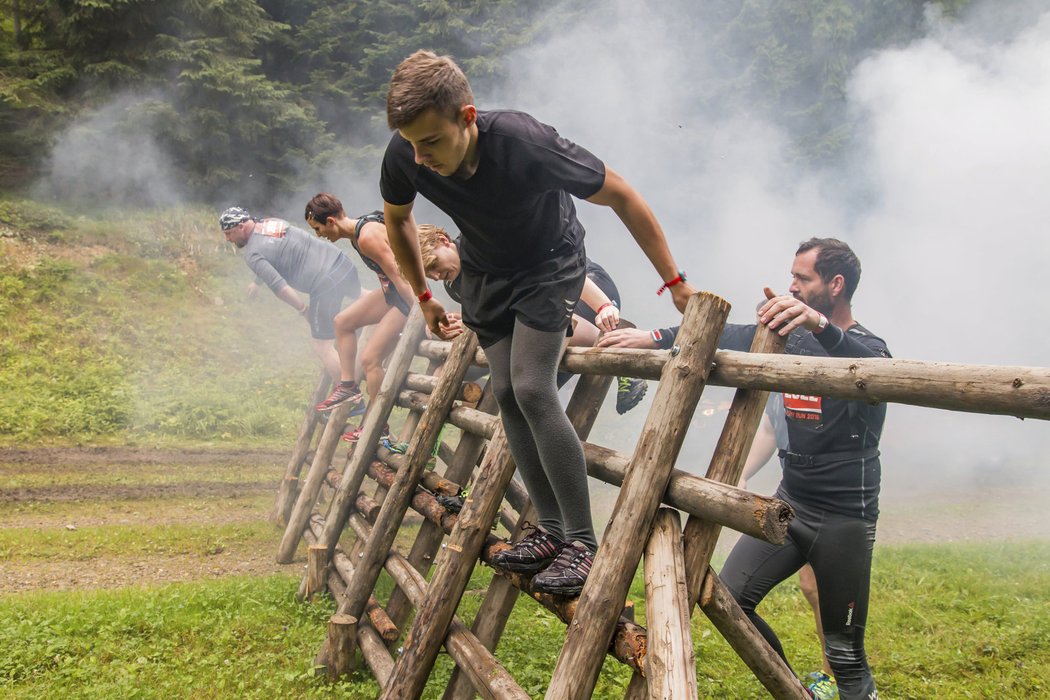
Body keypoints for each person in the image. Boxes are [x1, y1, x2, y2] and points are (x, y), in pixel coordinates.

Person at [379, 49, 696, 596]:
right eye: (410, 143)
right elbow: (398, 219)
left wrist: (674, 283)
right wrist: (425, 296)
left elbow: (620, 193)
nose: (418, 157)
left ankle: (582, 542)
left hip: (550, 262)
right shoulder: (407, 152)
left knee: (531, 384)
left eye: (430, 142)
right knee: (504, 391)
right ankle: (549, 529)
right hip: (485, 268)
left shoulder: (525, 142)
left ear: (467, 117)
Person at [598, 238, 888, 700]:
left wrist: (819, 325)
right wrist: (652, 337)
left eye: (803, 278)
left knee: (846, 653)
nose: (791, 286)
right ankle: (800, 693)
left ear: (835, 285)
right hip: (793, 503)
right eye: (791, 275)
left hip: (845, 519)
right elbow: (726, 335)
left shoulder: (864, 345)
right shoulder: (791, 337)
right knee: (731, 597)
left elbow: (876, 371)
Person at [416, 224, 648, 412]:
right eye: (430, 275)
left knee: (543, 315)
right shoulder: (453, 285)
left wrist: (603, 304)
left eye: (435, 265)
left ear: (443, 241)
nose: (436, 276)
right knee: (528, 398)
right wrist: (462, 324)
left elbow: (555, 273)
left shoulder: (484, 245)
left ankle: (623, 359)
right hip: (543, 309)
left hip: (584, 283)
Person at [305, 193, 414, 442]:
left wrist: (423, 311)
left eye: (318, 228)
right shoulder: (359, 234)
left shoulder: (366, 237)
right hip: (392, 294)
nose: (319, 234)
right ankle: (348, 387)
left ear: (331, 221)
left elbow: (400, 276)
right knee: (342, 322)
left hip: (405, 298)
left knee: (370, 360)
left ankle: (378, 425)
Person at [219, 206, 361, 383]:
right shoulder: (270, 222)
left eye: (228, 233)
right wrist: (257, 281)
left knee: (322, 345)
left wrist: (303, 310)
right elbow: (275, 253)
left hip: (323, 283)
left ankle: (350, 397)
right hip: (340, 263)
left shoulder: (252, 254)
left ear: (241, 226)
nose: (227, 239)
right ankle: (395, 311)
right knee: (362, 297)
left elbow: (281, 287)